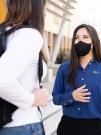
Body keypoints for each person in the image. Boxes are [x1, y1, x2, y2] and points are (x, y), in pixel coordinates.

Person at [0, 0, 50, 135]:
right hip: (22, 126)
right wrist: (32, 99)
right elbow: (2, 80)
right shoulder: (29, 35)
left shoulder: (6, 33)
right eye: (45, 8)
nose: (45, 14)